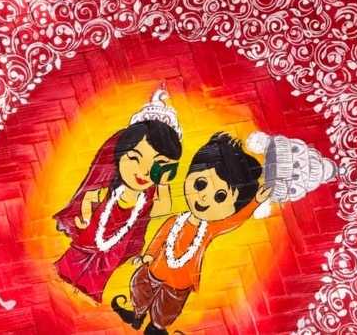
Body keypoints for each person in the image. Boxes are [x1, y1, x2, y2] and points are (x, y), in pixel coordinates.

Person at [112, 133, 271, 335]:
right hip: (154, 270)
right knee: (140, 288)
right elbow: (160, 238)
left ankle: (156, 328)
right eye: (200, 184)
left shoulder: (210, 229)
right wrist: (149, 255)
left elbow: (233, 221)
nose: (204, 197)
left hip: (179, 283)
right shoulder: (175, 220)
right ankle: (136, 315)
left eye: (220, 196)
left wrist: (255, 202)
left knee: (167, 308)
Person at [54, 88, 182, 303]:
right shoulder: (108, 189)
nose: (143, 171)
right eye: (134, 158)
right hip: (91, 237)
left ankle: (87, 293)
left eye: (156, 165)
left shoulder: (146, 200)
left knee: (100, 274)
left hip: (116, 248)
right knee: (72, 263)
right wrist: (84, 215)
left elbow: (163, 208)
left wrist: (163, 182)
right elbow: (90, 198)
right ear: (119, 155)